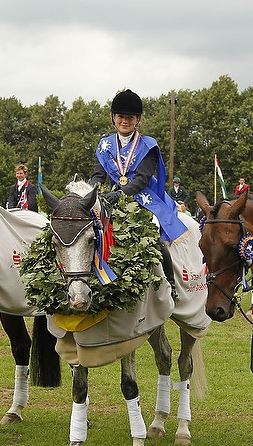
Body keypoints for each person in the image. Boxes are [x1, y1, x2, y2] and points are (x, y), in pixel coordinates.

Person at [89, 89, 186, 301]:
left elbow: (142, 179)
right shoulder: (104, 145)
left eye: (130, 117)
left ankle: (171, 283)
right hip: (111, 197)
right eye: (121, 116)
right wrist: (93, 193)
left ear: (138, 120)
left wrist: (120, 194)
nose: (125, 121)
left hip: (143, 196)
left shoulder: (148, 145)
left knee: (153, 229)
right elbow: (97, 176)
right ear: (113, 118)